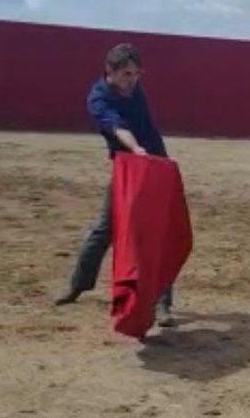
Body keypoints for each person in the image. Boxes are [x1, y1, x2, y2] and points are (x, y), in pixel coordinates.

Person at [53, 42, 176, 328]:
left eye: (136, 74)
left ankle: (162, 304)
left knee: (157, 234)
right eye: (126, 75)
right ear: (110, 71)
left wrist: (149, 155)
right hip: (129, 166)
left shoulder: (133, 89)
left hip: (155, 164)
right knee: (106, 228)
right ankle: (78, 285)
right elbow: (118, 127)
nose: (132, 81)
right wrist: (136, 150)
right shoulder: (98, 99)